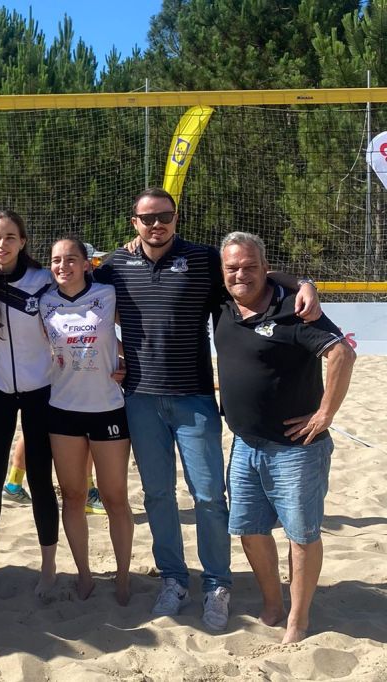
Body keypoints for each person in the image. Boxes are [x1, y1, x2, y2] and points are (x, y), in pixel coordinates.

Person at [93, 187, 321, 631]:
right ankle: (175, 580)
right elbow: (78, 300)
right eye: (147, 217)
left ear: (176, 218)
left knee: (208, 498)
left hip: (195, 398)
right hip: (140, 398)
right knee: (158, 496)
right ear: (133, 222)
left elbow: (254, 274)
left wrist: (305, 283)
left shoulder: (201, 260)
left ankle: (217, 583)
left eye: (165, 215)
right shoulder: (114, 267)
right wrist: (112, 351)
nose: (156, 224)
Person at [215, 231, 354, 643]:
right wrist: (302, 279)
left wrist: (325, 413)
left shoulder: (293, 308)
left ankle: (299, 616)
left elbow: (342, 353)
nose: (241, 274)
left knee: (301, 534)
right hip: (244, 442)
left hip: (296, 449)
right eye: (232, 267)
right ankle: (273, 602)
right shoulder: (221, 301)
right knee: (248, 529)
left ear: (265, 266)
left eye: (250, 266)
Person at [0, 210, 59, 595]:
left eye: (9, 237)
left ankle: (49, 568)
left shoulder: (44, 281)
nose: (1, 244)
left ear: (23, 241)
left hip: (41, 392)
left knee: (40, 479)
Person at [41, 236, 134, 605]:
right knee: (74, 496)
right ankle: (84, 575)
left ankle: (124, 577)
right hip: (62, 410)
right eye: (56, 260)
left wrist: (128, 362)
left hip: (107, 409)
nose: (63, 266)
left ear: (85, 264)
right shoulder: (44, 303)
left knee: (114, 498)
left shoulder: (107, 295)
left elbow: (135, 335)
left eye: (71, 259)